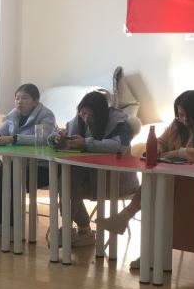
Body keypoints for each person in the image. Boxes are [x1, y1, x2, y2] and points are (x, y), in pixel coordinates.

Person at [99, 90, 194, 270]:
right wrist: (158, 149)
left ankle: (130, 224)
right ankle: (148, 251)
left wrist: (180, 152)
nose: (182, 119)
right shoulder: (177, 125)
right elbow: (161, 141)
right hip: (174, 183)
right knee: (154, 187)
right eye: (179, 114)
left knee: (155, 194)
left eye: (186, 115)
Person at [49, 91, 137, 247]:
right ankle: (76, 230)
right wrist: (58, 139)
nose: (86, 118)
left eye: (90, 115)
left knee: (69, 180)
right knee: (68, 177)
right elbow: (62, 135)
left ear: (101, 114)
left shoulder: (120, 122)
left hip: (116, 180)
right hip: (87, 180)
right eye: (83, 113)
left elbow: (119, 146)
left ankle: (73, 229)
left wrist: (86, 143)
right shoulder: (78, 120)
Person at [0, 84, 56, 238]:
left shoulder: (46, 115)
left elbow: (43, 138)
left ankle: (12, 227)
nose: (19, 101)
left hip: (41, 167)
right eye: (17, 98)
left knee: (10, 178)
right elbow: (2, 128)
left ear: (35, 101)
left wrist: (13, 139)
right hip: (18, 165)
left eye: (25, 98)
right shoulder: (14, 114)